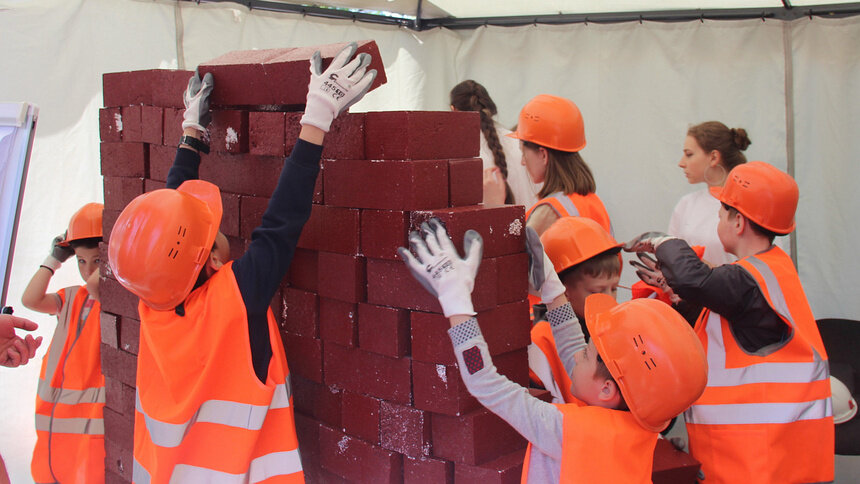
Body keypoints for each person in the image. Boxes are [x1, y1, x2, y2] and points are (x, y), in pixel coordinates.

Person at [108, 43, 376, 482]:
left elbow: (174, 224)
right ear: (212, 258)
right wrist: (317, 117)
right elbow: (281, 223)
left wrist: (191, 135)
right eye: (214, 230)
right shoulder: (234, 300)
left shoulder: (155, 302)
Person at [398, 218, 708, 482]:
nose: (577, 357)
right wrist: (552, 290)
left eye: (587, 355)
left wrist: (456, 302)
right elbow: (575, 347)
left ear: (607, 390)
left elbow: (483, 379)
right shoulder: (640, 423)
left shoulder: (564, 431)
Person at [625, 161, 834, 484]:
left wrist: (664, 241)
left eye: (720, 214)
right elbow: (732, 331)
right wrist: (678, 296)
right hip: (772, 459)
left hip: (758, 464)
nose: (717, 221)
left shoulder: (748, 279)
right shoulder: (767, 274)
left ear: (738, 222)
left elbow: (694, 279)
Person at [21, 202, 105, 484]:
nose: (87, 269)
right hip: (52, 429)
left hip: (88, 434)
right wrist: (53, 259)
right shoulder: (71, 298)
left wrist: (111, 254)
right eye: (81, 261)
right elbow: (30, 300)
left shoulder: (113, 303)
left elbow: (96, 284)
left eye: (96, 260)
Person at [507, 94, 612, 237]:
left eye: (523, 153)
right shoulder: (594, 202)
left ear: (543, 155)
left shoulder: (548, 212)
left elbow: (515, 256)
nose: (523, 162)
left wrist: (496, 204)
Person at [668, 121, 750, 266]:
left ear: (713, 157)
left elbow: (764, 268)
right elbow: (671, 261)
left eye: (689, 154)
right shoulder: (686, 204)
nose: (681, 163)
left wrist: (711, 275)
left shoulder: (750, 206)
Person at [449, 80, 539, 208]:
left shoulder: (460, 154)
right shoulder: (519, 142)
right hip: (530, 223)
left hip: (491, 226)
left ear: (454, 110)